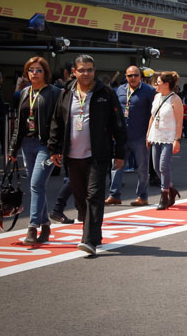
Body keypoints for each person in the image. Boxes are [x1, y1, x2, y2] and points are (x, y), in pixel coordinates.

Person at [48, 55, 126, 255]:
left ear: (95, 71)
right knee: (80, 197)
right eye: (82, 70)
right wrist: (54, 148)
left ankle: (88, 239)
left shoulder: (106, 93)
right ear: (74, 71)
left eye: (90, 70)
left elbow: (118, 124)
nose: (86, 73)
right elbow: (57, 122)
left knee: (94, 196)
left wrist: (119, 153)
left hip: (97, 155)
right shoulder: (66, 93)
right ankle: (94, 233)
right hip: (73, 156)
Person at [8, 57, 62, 244]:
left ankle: (32, 227)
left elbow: (60, 123)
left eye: (38, 70)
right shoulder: (24, 93)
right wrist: (12, 149)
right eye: (31, 70)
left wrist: (57, 147)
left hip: (46, 147)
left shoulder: (55, 92)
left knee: (37, 184)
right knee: (35, 186)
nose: (34, 73)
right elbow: (18, 125)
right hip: (27, 145)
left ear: (45, 72)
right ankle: (45, 226)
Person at [106, 65, 156, 206]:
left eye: (135, 75)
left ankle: (142, 196)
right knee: (116, 165)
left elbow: (155, 113)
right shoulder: (120, 90)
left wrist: (151, 133)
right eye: (129, 76)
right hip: (121, 136)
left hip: (141, 136)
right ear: (126, 77)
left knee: (142, 167)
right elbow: (114, 111)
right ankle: (114, 195)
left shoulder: (149, 91)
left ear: (141, 76)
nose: (132, 78)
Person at [145, 71, 184, 210]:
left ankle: (164, 195)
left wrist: (177, 139)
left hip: (169, 137)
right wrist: (148, 134)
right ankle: (171, 188)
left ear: (166, 84)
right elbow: (152, 117)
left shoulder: (175, 99)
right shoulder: (156, 97)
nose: (156, 84)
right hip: (156, 135)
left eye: (158, 82)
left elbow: (179, 122)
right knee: (156, 167)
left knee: (163, 166)